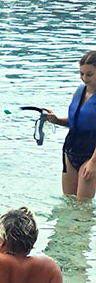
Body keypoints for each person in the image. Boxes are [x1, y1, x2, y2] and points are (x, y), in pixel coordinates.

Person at [44, 51, 96, 200]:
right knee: (69, 201)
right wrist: (56, 120)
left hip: (92, 153)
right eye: (81, 74)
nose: (84, 78)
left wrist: (93, 163)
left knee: (82, 205)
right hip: (71, 150)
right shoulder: (78, 92)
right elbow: (77, 122)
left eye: (89, 74)